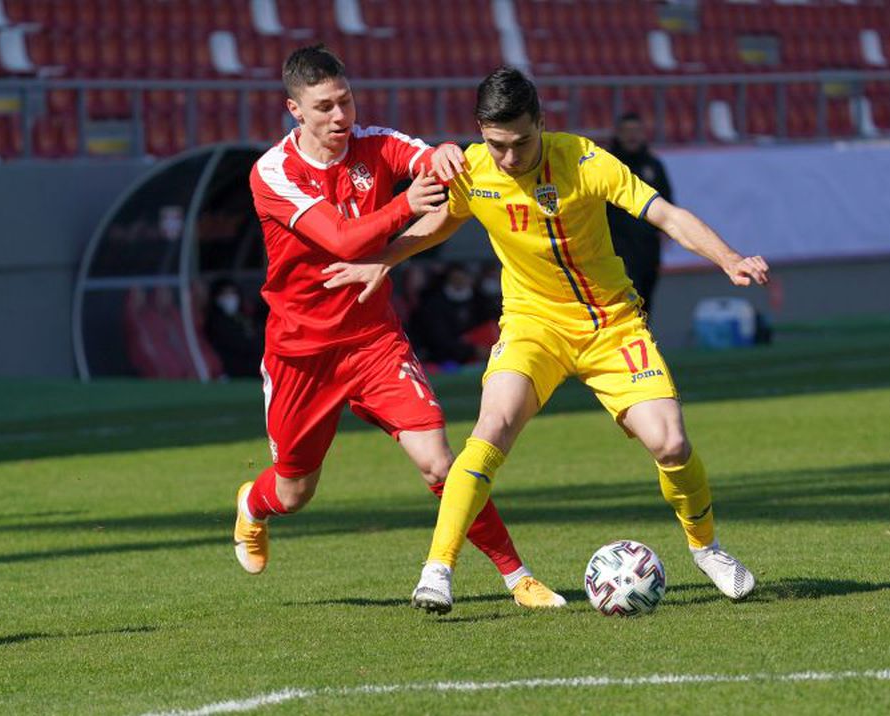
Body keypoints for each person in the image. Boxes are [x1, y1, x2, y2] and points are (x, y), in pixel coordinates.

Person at [322, 67, 771, 615]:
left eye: (520, 142)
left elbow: (666, 214)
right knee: (491, 429)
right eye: (496, 145)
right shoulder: (474, 168)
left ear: (541, 121)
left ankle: (708, 550)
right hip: (533, 326)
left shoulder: (584, 161)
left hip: (613, 325)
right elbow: (440, 222)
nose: (508, 158)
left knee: (671, 443)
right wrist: (383, 260)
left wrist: (728, 258)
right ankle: (437, 570)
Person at [238, 46, 564, 609]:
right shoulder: (272, 172)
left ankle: (517, 577)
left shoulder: (376, 143)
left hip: (373, 342)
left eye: (346, 101)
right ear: (294, 110)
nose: (340, 117)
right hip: (301, 354)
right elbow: (342, 240)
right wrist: (405, 206)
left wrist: (441, 156)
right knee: (293, 491)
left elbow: (426, 157)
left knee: (441, 461)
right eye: (324, 108)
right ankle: (253, 505)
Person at [606, 112, 672, 318]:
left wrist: (664, 231)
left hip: (647, 247)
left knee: (646, 300)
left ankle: (643, 344)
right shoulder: (606, 165)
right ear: (618, 134)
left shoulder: (653, 165)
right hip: (615, 247)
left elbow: (667, 202)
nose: (632, 136)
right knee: (623, 303)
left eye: (636, 131)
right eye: (627, 132)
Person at [205, 278, 264, 378]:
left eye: (233, 293)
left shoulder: (242, 318)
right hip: (234, 369)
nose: (230, 297)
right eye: (225, 294)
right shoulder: (215, 322)